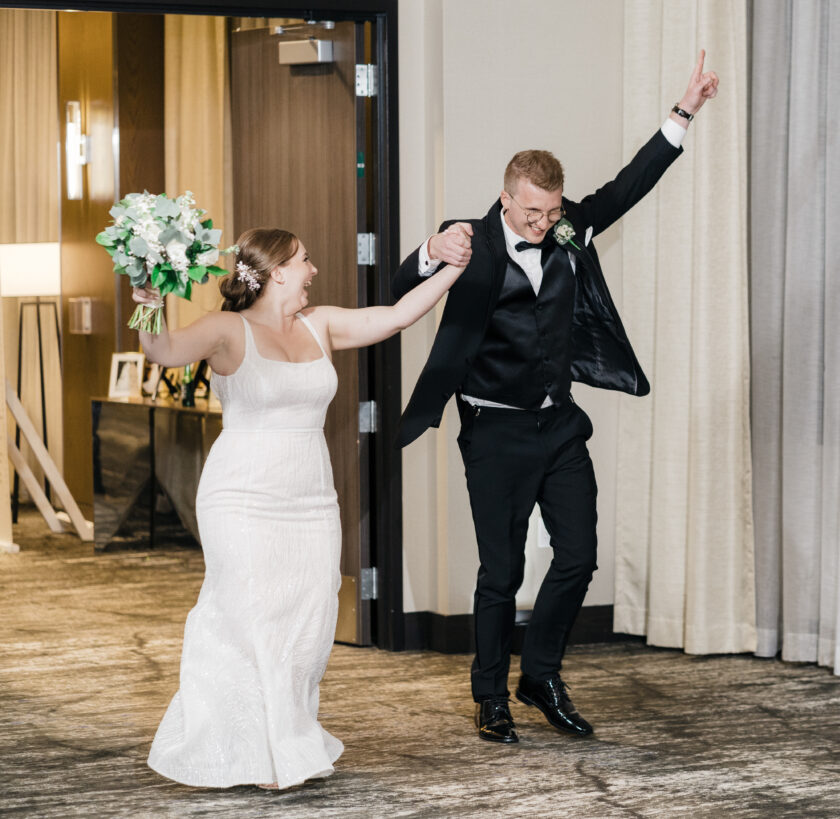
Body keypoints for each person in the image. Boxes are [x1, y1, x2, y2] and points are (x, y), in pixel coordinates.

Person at [393, 51, 719, 743]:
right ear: (506, 197)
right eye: (532, 212)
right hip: (494, 430)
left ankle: (539, 674)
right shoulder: (470, 243)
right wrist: (429, 246)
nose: (543, 224)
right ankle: (491, 696)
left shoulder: (570, 225)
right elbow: (397, 287)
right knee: (501, 571)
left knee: (578, 556)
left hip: (559, 426)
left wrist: (682, 112)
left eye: (551, 212)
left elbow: (629, 186)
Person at [136, 228, 464, 788]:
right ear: (278, 271)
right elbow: (162, 352)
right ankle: (250, 750)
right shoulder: (226, 328)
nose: (314, 269)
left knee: (308, 622)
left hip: (310, 499)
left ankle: (285, 740)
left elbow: (400, 315)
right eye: (305, 260)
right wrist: (145, 296)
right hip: (241, 496)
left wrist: (456, 266)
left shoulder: (322, 324)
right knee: (252, 613)